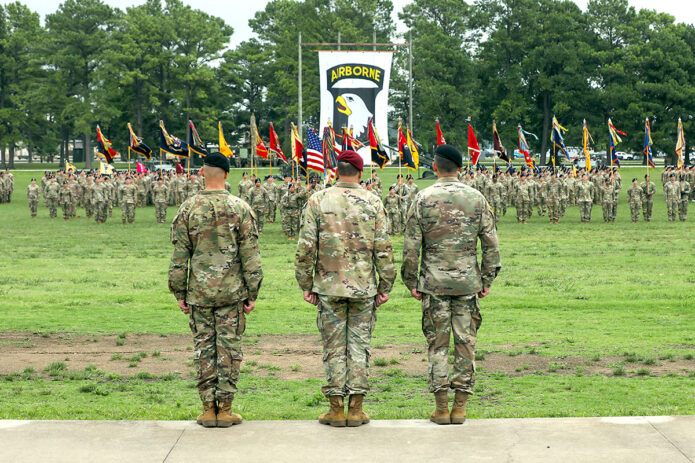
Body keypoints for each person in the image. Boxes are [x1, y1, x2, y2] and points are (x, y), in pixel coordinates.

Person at [295, 150, 396, 428]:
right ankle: (357, 409)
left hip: (329, 286)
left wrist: (306, 284)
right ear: (360, 173)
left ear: (336, 171)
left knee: (334, 347)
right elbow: (384, 250)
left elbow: (306, 247)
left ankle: (336, 409)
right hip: (363, 287)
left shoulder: (318, 200)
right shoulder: (373, 201)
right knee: (359, 346)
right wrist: (385, 285)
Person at [402, 144, 500, 425]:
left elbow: (411, 246)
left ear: (435, 167)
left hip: (434, 284)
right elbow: (491, 243)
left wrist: (411, 280)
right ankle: (460, 407)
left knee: (438, 345)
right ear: (460, 168)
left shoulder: (422, 198)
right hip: (468, 284)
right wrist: (487, 278)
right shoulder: (476, 198)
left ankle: (441, 407)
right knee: (466, 343)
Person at [169, 153, 263, 428]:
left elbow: (178, 256)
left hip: (199, 293)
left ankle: (208, 409)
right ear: (226, 175)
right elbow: (251, 256)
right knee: (229, 349)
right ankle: (226, 409)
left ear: (201, 172)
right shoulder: (240, 208)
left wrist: (179, 292)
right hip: (231, 294)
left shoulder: (188, 208)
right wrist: (252, 292)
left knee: (204, 349)